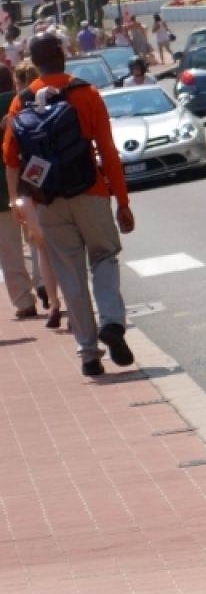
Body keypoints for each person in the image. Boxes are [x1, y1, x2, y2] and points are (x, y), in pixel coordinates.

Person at [4, 33, 135, 376]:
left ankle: (89, 354)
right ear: (62, 55)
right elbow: (107, 150)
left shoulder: (21, 102)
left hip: (47, 199)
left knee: (69, 271)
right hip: (89, 191)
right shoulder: (86, 93)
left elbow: (11, 158)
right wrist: (121, 201)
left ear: (32, 62)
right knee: (104, 255)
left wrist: (18, 201)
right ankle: (112, 322)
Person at [8, 60, 61, 329]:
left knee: (32, 246)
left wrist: (11, 195)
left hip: (22, 187)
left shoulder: (17, 108)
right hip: (52, 184)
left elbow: (10, 159)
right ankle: (70, 302)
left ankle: (42, 302)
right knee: (62, 246)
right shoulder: (53, 98)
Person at [0, 65, 39, 319]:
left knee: (10, 249)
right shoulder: (22, 101)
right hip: (29, 180)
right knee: (38, 239)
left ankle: (24, 300)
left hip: (1, 193)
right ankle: (45, 283)